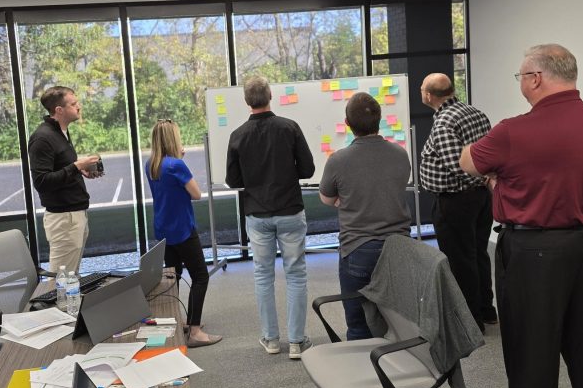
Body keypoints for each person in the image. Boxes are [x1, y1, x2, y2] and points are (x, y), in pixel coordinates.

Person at [459, 44, 583, 388]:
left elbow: (468, 161)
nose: (521, 84)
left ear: (536, 78)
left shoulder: (512, 131)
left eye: (521, 77)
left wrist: (501, 180)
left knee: (532, 352)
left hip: (534, 251)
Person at [226, 76, 315, 359]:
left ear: (246, 101)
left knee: (263, 275)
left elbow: (232, 180)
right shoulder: (290, 128)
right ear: (270, 96)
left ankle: (271, 339)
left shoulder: (238, 136)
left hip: (257, 213)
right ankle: (297, 342)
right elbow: (308, 169)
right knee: (296, 274)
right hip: (290, 209)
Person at [319, 92, 412, 340]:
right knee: (399, 320)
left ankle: (364, 375)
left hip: (358, 249)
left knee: (359, 324)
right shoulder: (400, 154)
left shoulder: (338, 160)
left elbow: (327, 198)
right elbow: (395, 187)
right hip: (399, 248)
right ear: (379, 120)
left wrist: (348, 200)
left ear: (347, 124)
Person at [419, 73, 496, 332]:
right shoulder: (476, 112)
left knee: (460, 261)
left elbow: (457, 165)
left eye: (422, 90)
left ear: (429, 95)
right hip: (481, 198)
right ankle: (486, 310)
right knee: (478, 254)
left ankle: (469, 321)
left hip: (456, 201)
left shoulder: (444, 122)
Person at [145, 119, 222, 348]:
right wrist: (180, 161)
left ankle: (179, 323)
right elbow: (196, 194)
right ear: (173, 139)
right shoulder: (175, 165)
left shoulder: (151, 164)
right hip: (182, 229)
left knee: (174, 276)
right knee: (200, 276)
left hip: (163, 229)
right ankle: (195, 331)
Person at [28, 86, 101, 277]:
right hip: (63, 219)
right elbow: (42, 181)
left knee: (71, 277)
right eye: (74, 104)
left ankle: (69, 308)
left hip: (74, 215)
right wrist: (75, 167)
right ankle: (55, 308)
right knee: (61, 281)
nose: (79, 107)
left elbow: (60, 170)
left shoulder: (61, 132)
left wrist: (80, 171)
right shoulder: (43, 138)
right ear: (59, 110)